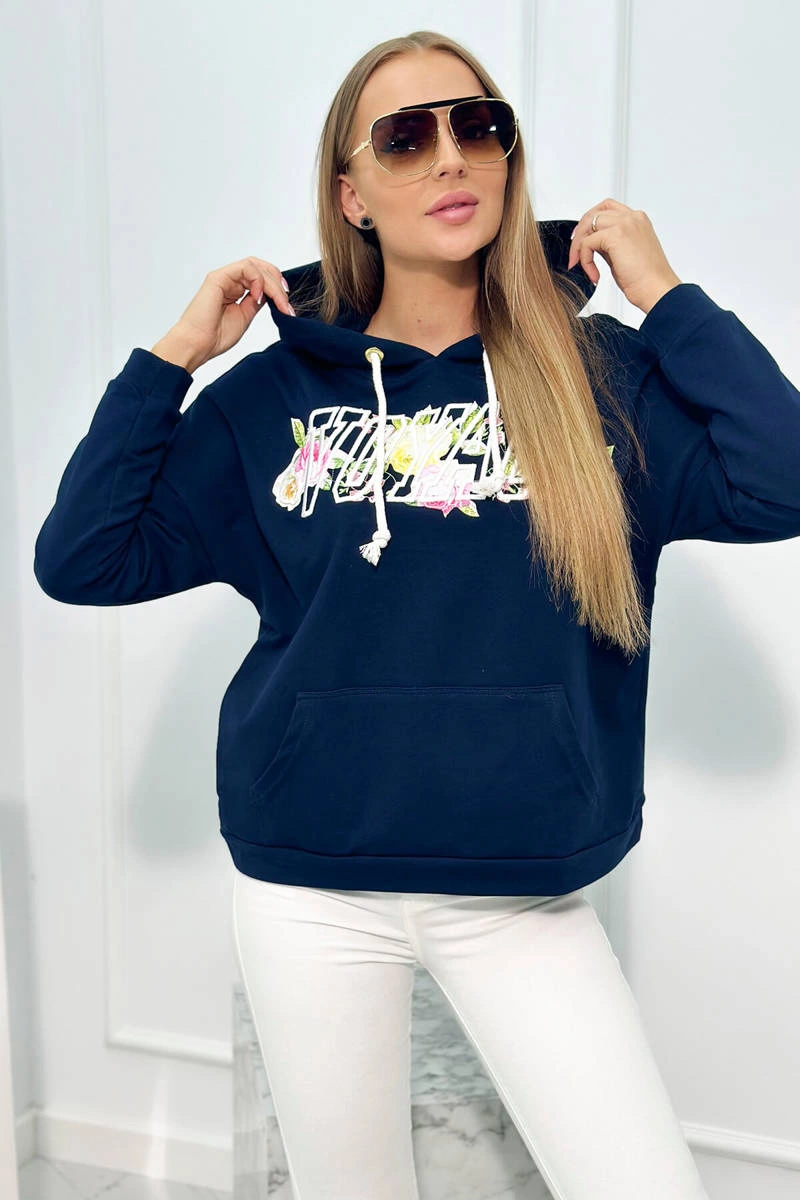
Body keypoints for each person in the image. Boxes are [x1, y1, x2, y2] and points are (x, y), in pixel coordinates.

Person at [33, 27, 800, 1200]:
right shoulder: (271, 399)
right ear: (351, 194)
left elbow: (780, 479)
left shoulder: (599, 379)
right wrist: (174, 356)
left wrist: (667, 298)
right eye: (404, 137)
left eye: (476, 126)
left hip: (521, 890)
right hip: (310, 888)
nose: (450, 157)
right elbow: (83, 558)